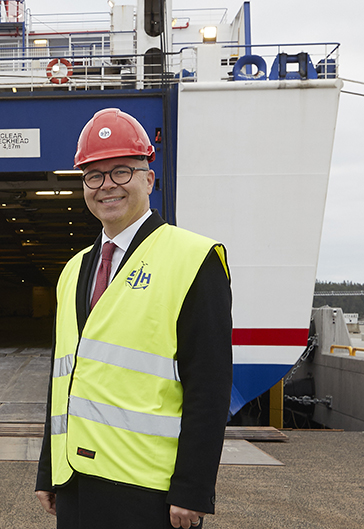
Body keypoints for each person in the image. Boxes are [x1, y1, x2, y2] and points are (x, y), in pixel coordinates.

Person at [34, 109, 232, 529]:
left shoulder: (194, 260)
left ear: (149, 179)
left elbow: (210, 385)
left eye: (121, 171)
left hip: (150, 489)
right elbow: (62, 380)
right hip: (77, 481)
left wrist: (193, 488)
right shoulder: (73, 271)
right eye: (94, 175)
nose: (107, 185)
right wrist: (48, 470)